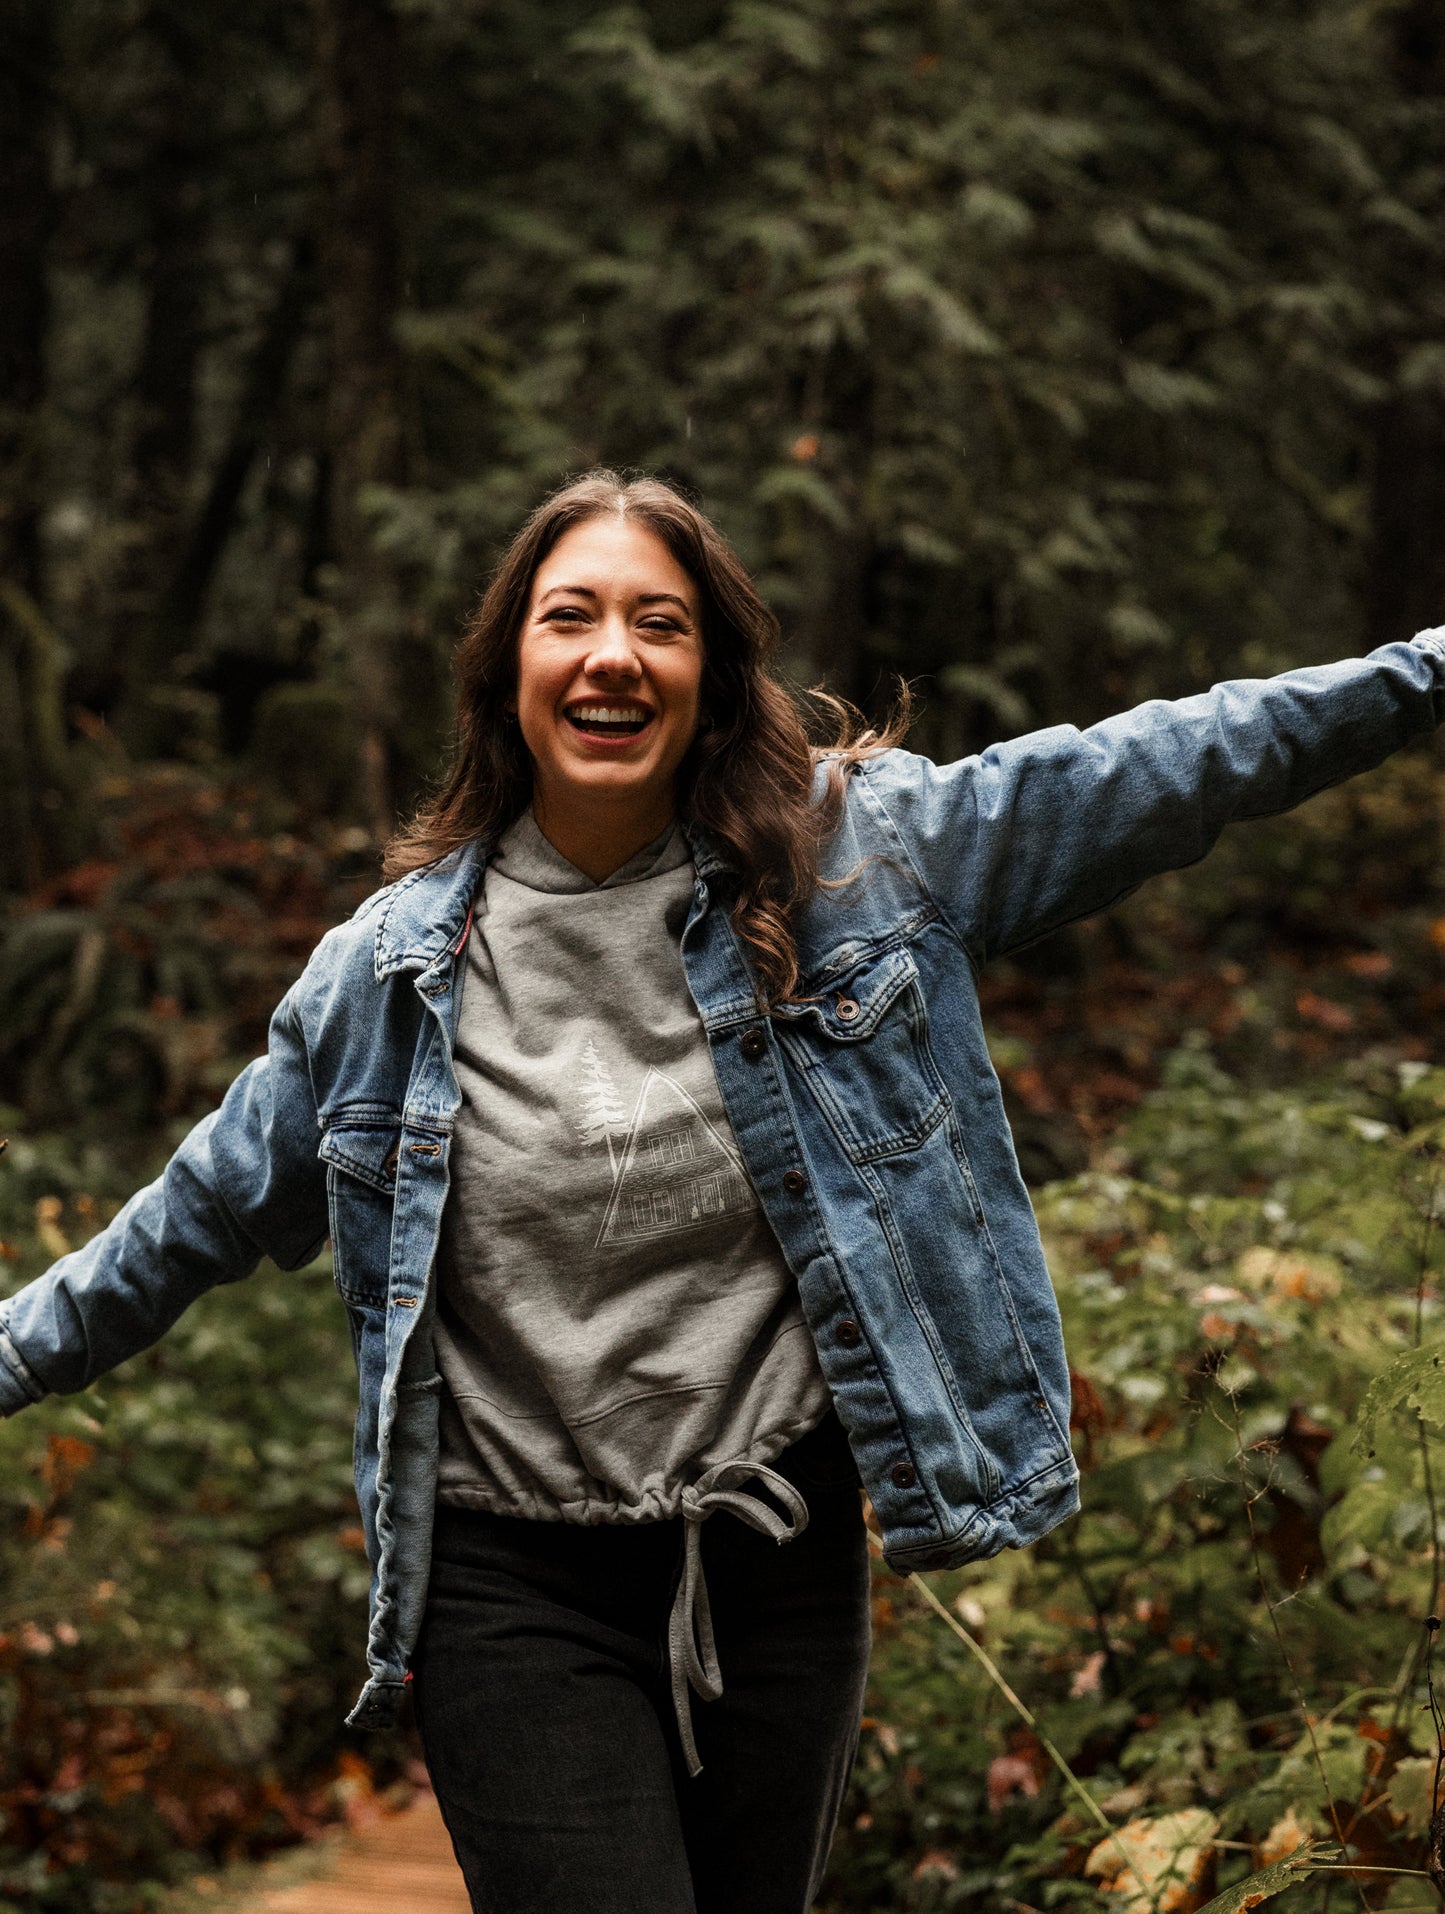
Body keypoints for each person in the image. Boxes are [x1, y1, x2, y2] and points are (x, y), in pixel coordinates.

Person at [1, 469, 1442, 1914]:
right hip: (509, 1582)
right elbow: (188, 1221)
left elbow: (1170, 762)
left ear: (711, 674)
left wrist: (1419, 673)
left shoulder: (861, 863)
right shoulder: (383, 982)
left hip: (776, 1564)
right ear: (512, 666)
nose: (612, 652)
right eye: (570, 616)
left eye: (660, 622)